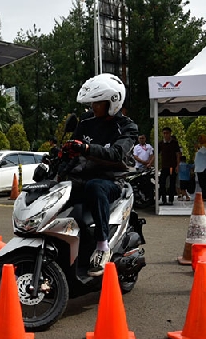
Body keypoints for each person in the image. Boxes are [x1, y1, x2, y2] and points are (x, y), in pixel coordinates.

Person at [58, 73, 138, 277]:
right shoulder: (86, 123)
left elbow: (117, 154)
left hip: (110, 182)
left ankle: (102, 246)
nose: (92, 107)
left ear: (112, 101)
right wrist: (61, 156)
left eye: (97, 103)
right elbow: (72, 151)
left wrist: (85, 148)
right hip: (81, 179)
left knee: (95, 186)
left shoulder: (127, 127)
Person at [158, 127, 181, 205]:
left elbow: (178, 154)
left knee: (172, 183)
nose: (165, 135)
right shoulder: (161, 143)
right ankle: (164, 199)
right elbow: (156, 154)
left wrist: (178, 165)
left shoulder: (174, 143)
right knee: (162, 183)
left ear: (170, 134)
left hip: (172, 166)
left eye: (167, 133)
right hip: (164, 166)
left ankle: (171, 200)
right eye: (164, 133)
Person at [194, 134, 206, 201]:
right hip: (199, 168)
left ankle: (204, 197)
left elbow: (203, 151)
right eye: (199, 138)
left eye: (200, 138)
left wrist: (198, 147)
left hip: (203, 168)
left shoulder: (205, 146)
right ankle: (204, 196)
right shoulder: (201, 147)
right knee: (201, 183)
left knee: (203, 183)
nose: (199, 140)